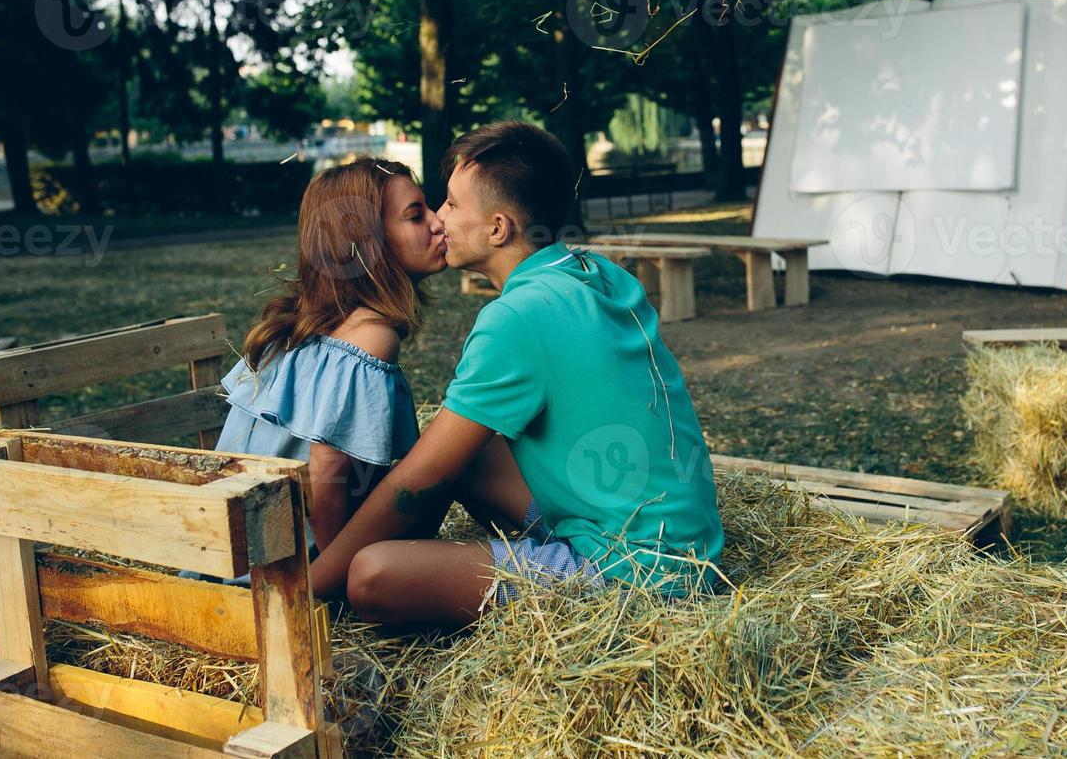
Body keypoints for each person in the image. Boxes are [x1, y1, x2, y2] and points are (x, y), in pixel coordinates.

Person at [309, 121, 724, 629]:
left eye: (452, 204)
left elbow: (418, 481)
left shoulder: (517, 317)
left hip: (632, 577)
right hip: (688, 548)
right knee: (466, 445)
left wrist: (310, 585)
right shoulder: (597, 272)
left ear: (498, 229)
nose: (439, 219)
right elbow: (441, 462)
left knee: (372, 575)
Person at [213, 157, 449, 557]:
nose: (438, 220)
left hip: (228, 551)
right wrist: (336, 582)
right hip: (280, 563)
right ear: (367, 242)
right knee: (449, 466)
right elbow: (326, 483)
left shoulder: (307, 321)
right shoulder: (371, 335)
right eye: (415, 215)